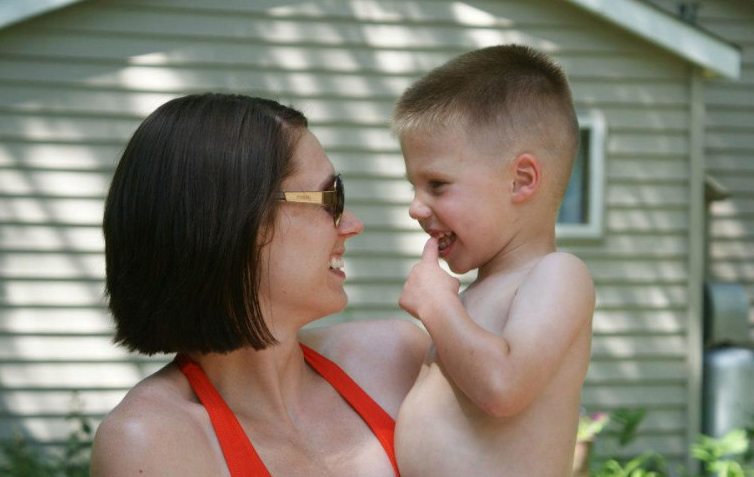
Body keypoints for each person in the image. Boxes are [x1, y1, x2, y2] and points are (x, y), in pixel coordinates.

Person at [90, 93, 429, 477]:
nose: (352, 224)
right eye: (331, 198)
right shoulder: (151, 442)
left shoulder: (396, 357)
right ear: (236, 223)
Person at [393, 45, 596, 476]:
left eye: (437, 184)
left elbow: (503, 387)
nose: (415, 207)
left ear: (521, 180)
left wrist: (436, 306)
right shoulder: (471, 299)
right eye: (415, 185)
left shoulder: (559, 274)